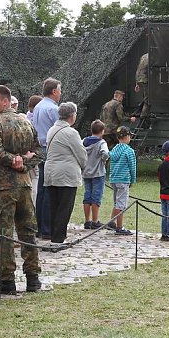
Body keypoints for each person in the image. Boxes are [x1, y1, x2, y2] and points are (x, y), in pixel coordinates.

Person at [0, 85, 43, 294]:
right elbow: (39, 151)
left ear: (5, 101)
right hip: (24, 184)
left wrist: (15, 162)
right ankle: (33, 278)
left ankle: (7, 280)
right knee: (28, 232)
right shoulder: (25, 122)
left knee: (4, 233)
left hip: (3, 186)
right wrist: (24, 164)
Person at [44, 102, 86, 244]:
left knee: (54, 206)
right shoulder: (71, 133)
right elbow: (81, 154)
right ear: (72, 116)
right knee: (64, 207)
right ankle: (58, 238)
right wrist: (84, 166)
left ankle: (54, 234)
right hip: (66, 174)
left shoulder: (52, 129)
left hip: (51, 172)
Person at [32, 78, 61, 239]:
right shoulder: (52, 108)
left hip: (39, 149)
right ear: (54, 91)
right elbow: (59, 129)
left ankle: (39, 226)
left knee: (41, 190)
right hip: (50, 150)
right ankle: (47, 228)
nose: (60, 93)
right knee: (49, 189)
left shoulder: (38, 106)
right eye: (59, 90)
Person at [107, 126, 137, 236]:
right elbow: (132, 167)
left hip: (114, 179)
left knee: (117, 202)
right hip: (123, 180)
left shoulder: (114, 150)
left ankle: (112, 222)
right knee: (121, 204)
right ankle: (120, 227)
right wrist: (132, 180)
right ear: (127, 137)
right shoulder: (129, 151)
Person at [82, 120, 109, 230]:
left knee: (87, 195)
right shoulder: (102, 143)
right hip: (98, 173)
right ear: (102, 131)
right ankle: (95, 221)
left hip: (86, 172)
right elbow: (105, 153)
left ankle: (87, 221)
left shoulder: (84, 141)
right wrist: (103, 160)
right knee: (96, 197)